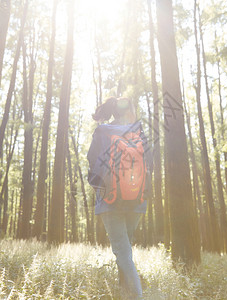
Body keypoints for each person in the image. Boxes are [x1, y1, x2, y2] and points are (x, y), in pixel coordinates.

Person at [87, 97, 152, 299]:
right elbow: (151, 163)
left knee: (123, 254)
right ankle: (125, 295)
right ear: (130, 111)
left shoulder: (102, 132)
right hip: (137, 201)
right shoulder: (139, 133)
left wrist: (101, 186)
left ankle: (137, 296)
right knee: (126, 252)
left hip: (110, 200)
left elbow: (92, 161)